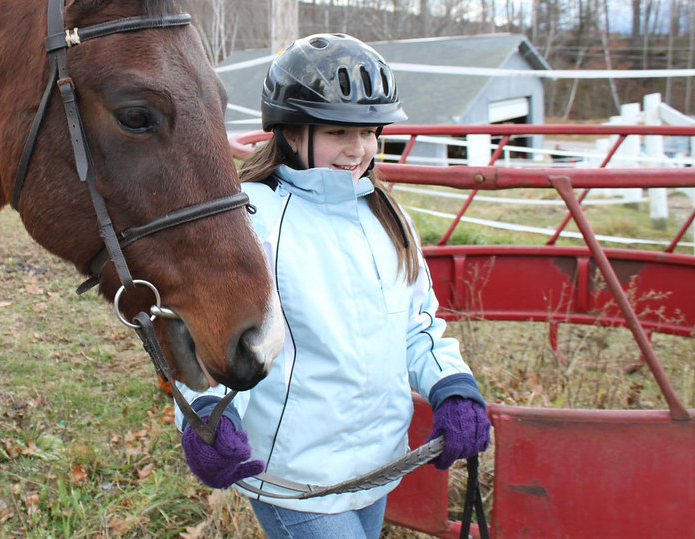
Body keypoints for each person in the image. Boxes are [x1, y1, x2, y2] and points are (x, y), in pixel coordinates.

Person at [176, 33, 490, 538]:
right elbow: (213, 338)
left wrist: (452, 387)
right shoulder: (252, 220)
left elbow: (417, 326)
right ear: (291, 133)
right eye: (340, 130)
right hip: (295, 476)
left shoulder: (388, 218)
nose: (358, 149)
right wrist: (207, 416)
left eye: (369, 132)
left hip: (376, 464)